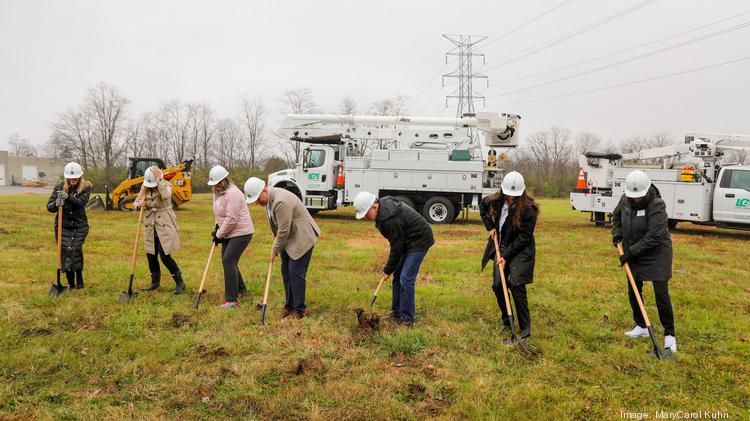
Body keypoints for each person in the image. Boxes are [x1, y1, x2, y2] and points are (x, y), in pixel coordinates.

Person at [612, 170, 676, 353]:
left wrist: (630, 252)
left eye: (640, 197)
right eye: (634, 197)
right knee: (634, 290)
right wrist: (617, 233)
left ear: (647, 190)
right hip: (633, 252)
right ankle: (641, 326)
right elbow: (616, 216)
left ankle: (670, 335)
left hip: (657, 253)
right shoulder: (625, 199)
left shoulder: (657, 205)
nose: (637, 200)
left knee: (661, 294)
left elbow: (655, 236)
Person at [353, 192, 434, 326]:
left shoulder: (390, 219)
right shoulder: (383, 210)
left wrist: (387, 269)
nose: (366, 217)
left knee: (406, 279)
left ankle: (407, 319)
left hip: (419, 240)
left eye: (366, 213)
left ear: (374, 207)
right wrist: (391, 270)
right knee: (398, 277)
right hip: (406, 240)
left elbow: (396, 247)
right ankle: (396, 313)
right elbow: (398, 244)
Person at [244, 177, 320, 319]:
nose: (256, 202)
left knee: (295, 273)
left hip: (302, 236)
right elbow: (276, 223)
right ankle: (289, 306)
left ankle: (298, 310)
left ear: (264, 190)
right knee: (286, 272)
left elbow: (283, 231)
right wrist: (274, 233)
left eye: (257, 198)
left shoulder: (280, 202)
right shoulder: (268, 200)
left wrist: (275, 250)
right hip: (289, 237)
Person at [480, 171, 538, 342]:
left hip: (520, 249)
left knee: (516, 284)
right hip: (501, 245)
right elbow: (483, 208)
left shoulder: (529, 210)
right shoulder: (495, 200)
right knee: (498, 285)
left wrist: (506, 256)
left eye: (514, 196)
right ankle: (507, 320)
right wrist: (490, 226)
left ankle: (525, 330)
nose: (511, 198)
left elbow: (524, 238)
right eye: (508, 195)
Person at [134, 166, 185, 294]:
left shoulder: (166, 185)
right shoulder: (144, 188)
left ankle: (180, 282)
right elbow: (136, 201)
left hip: (164, 224)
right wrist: (138, 205)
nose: (150, 186)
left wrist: (160, 179)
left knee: (165, 256)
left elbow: (166, 196)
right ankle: (155, 284)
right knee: (151, 255)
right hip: (150, 225)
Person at [209, 165, 253, 308]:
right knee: (228, 261)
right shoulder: (217, 192)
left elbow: (232, 218)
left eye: (216, 183)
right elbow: (218, 213)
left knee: (228, 261)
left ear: (223, 181)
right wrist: (217, 227)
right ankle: (242, 290)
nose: (214, 186)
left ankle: (232, 300)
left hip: (241, 232)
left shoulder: (233, 193)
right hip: (228, 231)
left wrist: (219, 235)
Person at [46, 162, 92, 289]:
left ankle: (79, 277)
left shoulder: (86, 187)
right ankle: (71, 283)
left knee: (75, 250)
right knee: (65, 251)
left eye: (75, 178)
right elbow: (49, 207)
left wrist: (67, 197)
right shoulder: (59, 186)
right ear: (66, 177)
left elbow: (80, 203)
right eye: (70, 178)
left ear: (80, 177)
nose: (73, 180)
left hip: (79, 225)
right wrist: (56, 202)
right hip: (63, 226)